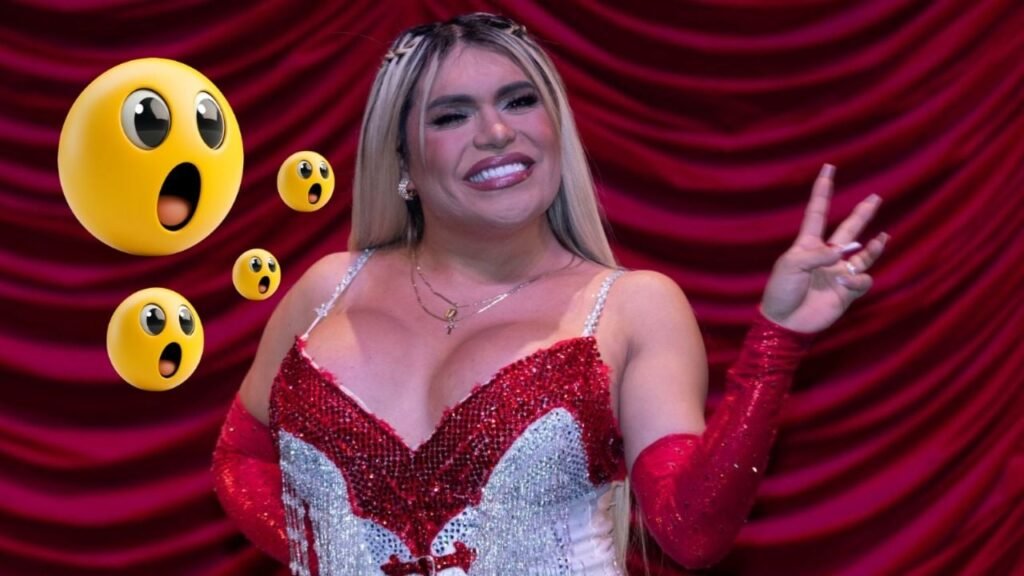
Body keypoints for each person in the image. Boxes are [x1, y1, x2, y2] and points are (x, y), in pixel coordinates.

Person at [213, 12, 887, 576]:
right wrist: (332, 549)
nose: (496, 133)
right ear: (402, 162)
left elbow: (690, 532)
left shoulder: (632, 307)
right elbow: (237, 456)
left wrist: (776, 341)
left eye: (519, 101)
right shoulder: (329, 290)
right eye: (452, 115)